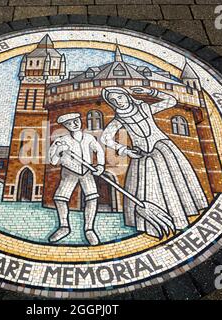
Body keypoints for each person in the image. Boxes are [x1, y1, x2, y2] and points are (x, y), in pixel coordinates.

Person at [101, 86, 208, 238]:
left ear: (126, 96)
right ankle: (152, 221)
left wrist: (151, 92)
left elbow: (171, 101)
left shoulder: (145, 108)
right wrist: (125, 150)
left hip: (162, 147)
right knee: (147, 186)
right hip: (141, 154)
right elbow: (105, 138)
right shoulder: (118, 119)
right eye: (113, 101)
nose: (118, 102)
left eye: (120, 97)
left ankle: (179, 214)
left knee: (172, 181)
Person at [49, 113, 105, 245]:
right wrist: (59, 151)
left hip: (87, 172)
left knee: (92, 197)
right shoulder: (61, 140)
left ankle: (89, 229)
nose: (74, 124)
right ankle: (64, 226)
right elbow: (53, 161)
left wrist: (100, 165)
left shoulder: (88, 138)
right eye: (69, 123)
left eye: (76, 120)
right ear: (65, 126)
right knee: (60, 198)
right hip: (69, 172)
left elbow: (99, 151)